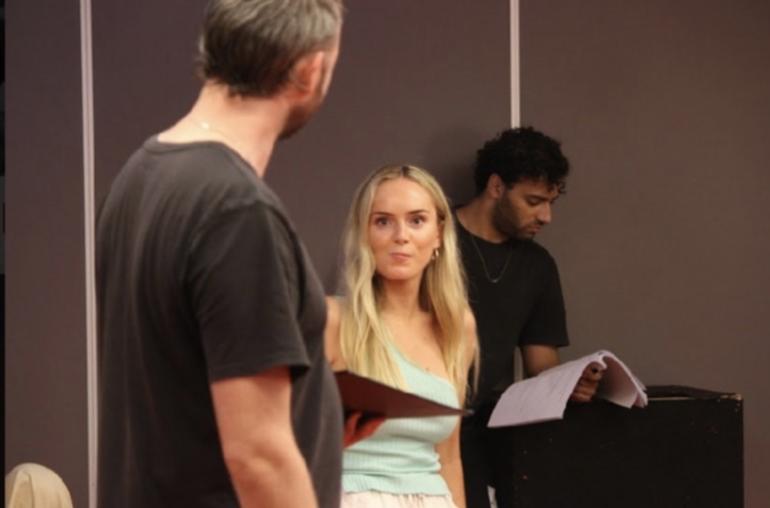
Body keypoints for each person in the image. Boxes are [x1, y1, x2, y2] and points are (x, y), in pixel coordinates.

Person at [96, 1, 355, 507]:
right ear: (310, 70)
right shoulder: (237, 211)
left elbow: (180, 386)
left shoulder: (140, 174)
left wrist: (310, 420)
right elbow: (257, 454)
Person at [454, 127, 603, 508]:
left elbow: (541, 365)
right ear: (497, 186)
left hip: (478, 430)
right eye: (534, 201)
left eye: (551, 202)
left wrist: (570, 383)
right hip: (410, 423)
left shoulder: (538, 266)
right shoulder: (430, 238)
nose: (547, 216)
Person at [324, 164, 479, 508]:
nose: (401, 235)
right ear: (364, 234)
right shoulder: (332, 320)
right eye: (383, 221)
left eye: (417, 220)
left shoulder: (456, 326)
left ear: (439, 233)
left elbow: (449, 457)